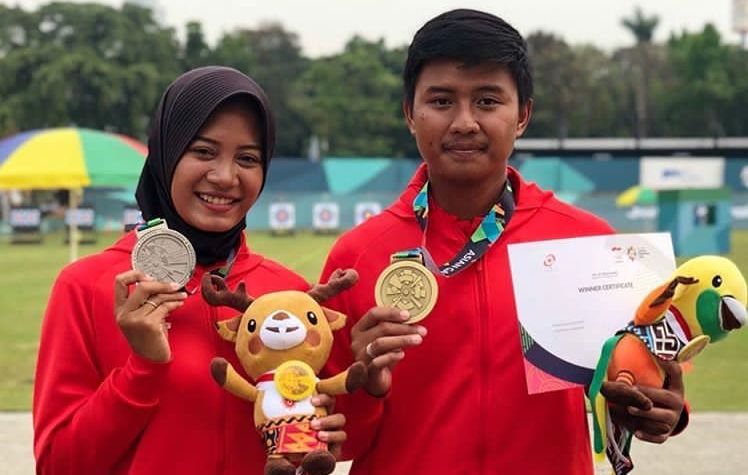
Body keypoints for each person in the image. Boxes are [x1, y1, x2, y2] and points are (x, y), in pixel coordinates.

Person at [319, 9, 686, 475]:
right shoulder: (356, 257)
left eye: (488, 101)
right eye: (442, 100)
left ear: (523, 115)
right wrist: (367, 385)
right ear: (411, 113)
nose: (465, 122)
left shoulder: (591, 244)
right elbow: (337, 442)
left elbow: (644, 384)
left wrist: (662, 409)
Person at [33, 66, 348, 475]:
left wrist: (319, 434)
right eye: (203, 151)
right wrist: (142, 369)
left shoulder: (289, 294)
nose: (224, 177)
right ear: (166, 153)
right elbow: (59, 464)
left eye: (247, 158)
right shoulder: (87, 285)